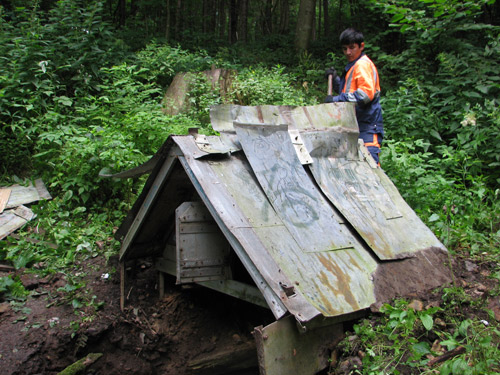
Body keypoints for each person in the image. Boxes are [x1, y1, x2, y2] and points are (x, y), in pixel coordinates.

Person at [325, 28, 384, 165]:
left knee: (370, 168)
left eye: (352, 48)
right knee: (355, 167)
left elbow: (364, 96)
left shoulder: (362, 65)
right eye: (345, 49)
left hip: (367, 126)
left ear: (361, 46)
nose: (348, 53)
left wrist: (335, 100)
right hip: (354, 126)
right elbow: (348, 92)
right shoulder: (353, 66)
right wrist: (335, 80)